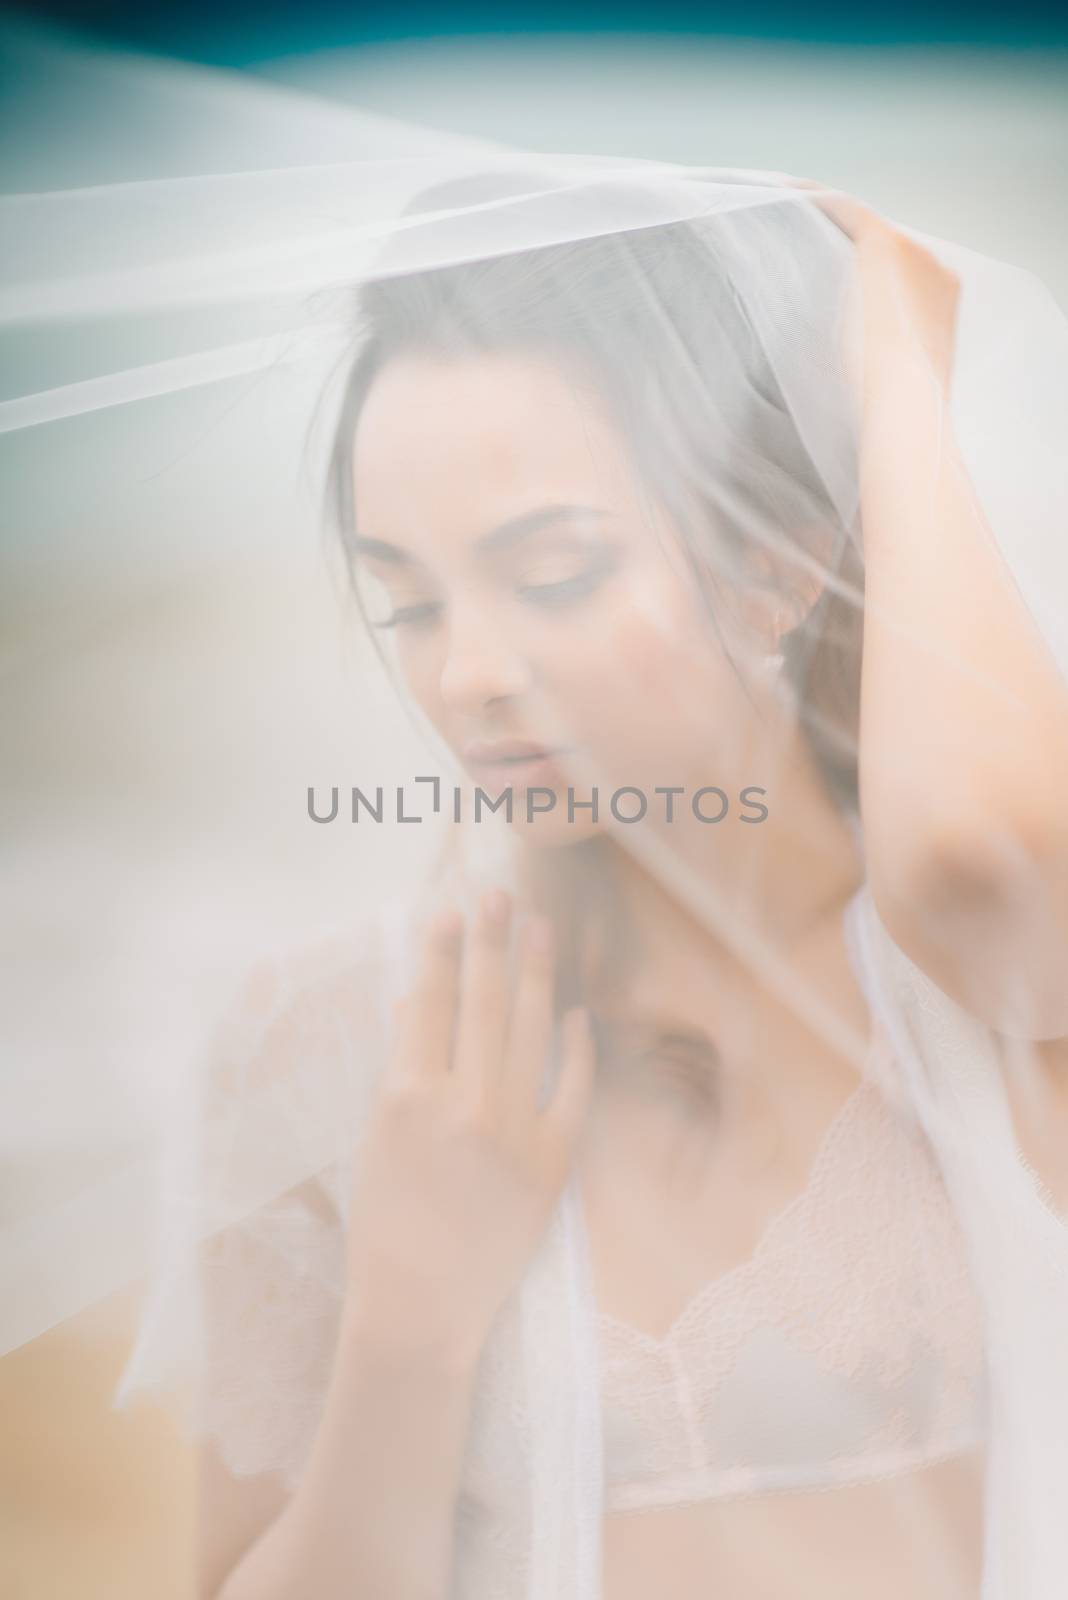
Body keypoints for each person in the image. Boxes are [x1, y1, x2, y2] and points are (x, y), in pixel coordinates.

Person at [148, 187, 1068, 1598]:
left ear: (781, 563)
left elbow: (986, 859)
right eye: (412, 601)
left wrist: (892, 373)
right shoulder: (333, 1041)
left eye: (554, 574)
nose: (465, 677)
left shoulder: (980, 992)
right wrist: (410, 1324)